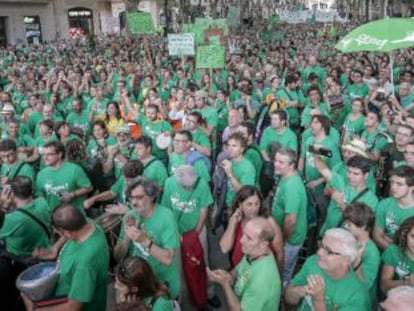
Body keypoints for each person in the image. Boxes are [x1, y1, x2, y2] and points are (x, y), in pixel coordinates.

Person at [22, 204, 110, 311]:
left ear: (69, 232)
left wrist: (36, 310)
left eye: (58, 232)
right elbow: (69, 230)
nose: (56, 233)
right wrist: (55, 248)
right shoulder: (87, 224)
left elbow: (73, 306)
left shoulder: (85, 263)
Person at [113, 177, 181, 299]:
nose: (133, 202)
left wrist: (144, 240)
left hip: (162, 282)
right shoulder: (130, 216)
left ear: (151, 197)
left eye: (139, 197)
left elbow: (168, 259)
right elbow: (118, 256)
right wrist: (127, 239)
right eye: (131, 197)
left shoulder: (166, 217)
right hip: (139, 283)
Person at [285, 228, 371, 310]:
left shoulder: (356, 296)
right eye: (321, 246)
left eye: (329, 251)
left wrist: (319, 300)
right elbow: (288, 298)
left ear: (346, 260)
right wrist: (302, 290)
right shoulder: (313, 262)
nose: (319, 253)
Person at [208, 217, 281, 311]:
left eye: (249, 238)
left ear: (263, 245)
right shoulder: (254, 253)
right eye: (244, 234)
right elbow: (239, 269)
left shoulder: (262, 281)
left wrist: (225, 284)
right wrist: (229, 276)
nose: (241, 240)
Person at [220, 185, 284, 274]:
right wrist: (232, 224)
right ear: (240, 205)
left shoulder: (269, 222)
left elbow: (280, 253)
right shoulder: (237, 220)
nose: (254, 209)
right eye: (249, 204)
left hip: (261, 275)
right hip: (239, 273)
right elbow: (224, 248)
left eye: (256, 203)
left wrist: (278, 277)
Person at [315, 154, 378, 236]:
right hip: (326, 233)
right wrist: (317, 155)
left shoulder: (371, 200)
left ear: (365, 176)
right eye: (349, 172)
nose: (350, 176)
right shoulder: (341, 182)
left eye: (356, 174)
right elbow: (322, 169)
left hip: (345, 242)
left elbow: (359, 224)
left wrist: (341, 203)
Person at [272, 147, 308, 285]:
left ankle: (281, 298)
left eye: (281, 162)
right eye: (276, 160)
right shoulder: (286, 177)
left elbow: (291, 220)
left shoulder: (292, 186)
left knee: (282, 274)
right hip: (286, 237)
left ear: (292, 165)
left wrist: (282, 239)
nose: (276, 164)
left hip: (290, 240)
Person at [35, 141, 93, 212]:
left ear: (59, 154)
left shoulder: (74, 169)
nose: (45, 158)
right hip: (53, 216)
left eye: (49, 154)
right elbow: (40, 196)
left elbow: (88, 188)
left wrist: (72, 195)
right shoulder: (41, 174)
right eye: (43, 155)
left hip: (74, 215)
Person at [343, 202, 381, 306]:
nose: (346, 226)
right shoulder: (349, 239)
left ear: (363, 226)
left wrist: (357, 263)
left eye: (350, 224)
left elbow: (364, 285)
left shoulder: (372, 253)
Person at [373, 165, 414, 250]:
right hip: (386, 252)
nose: (393, 187)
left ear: (412, 187)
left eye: (399, 184)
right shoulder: (384, 204)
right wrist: (396, 253)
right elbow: (377, 236)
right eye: (392, 182)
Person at [381, 216, 414, 293]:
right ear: (404, 235)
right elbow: (384, 286)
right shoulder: (393, 251)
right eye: (413, 236)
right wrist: (406, 282)